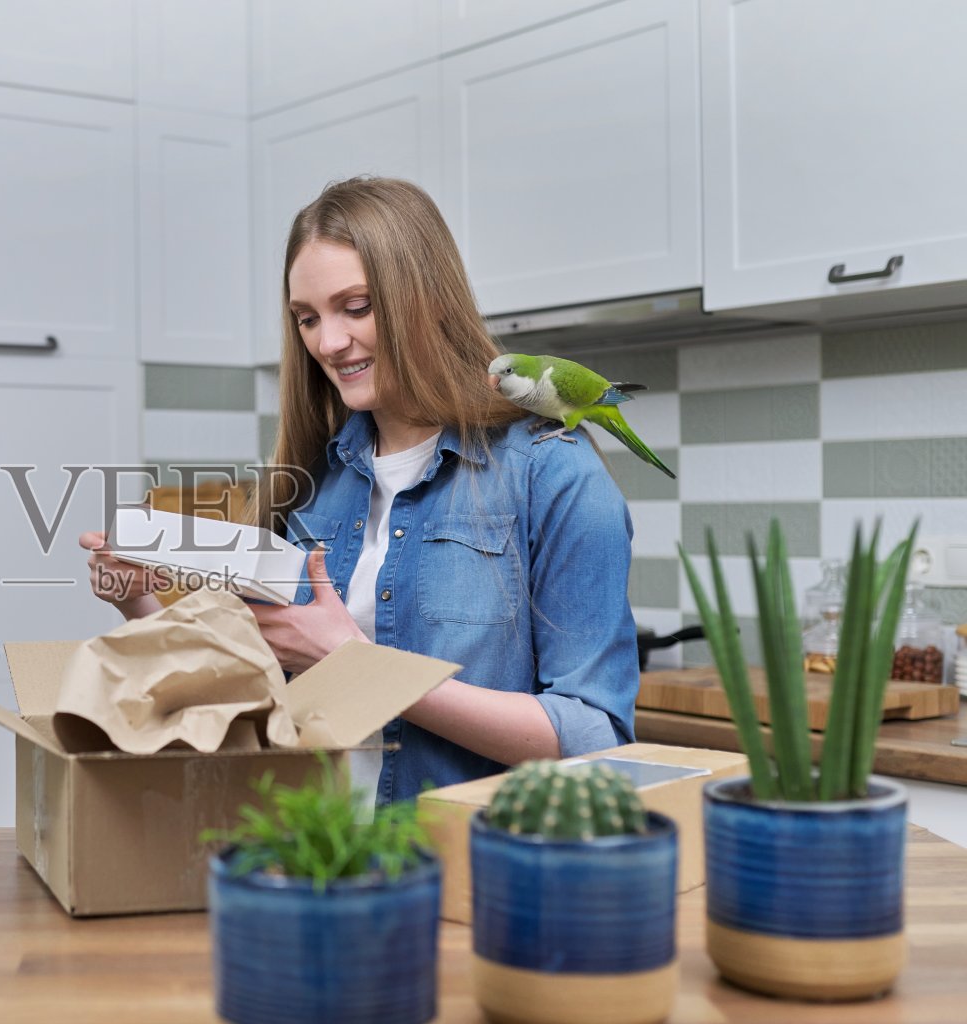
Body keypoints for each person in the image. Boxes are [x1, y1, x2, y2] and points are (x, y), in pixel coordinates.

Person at [80, 176, 638, 803]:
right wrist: (138, 602)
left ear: (424, 298)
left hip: (459, 865)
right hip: (315, 852)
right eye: (307, 318)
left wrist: (360, 665)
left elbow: (597, 737)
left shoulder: (552, 474)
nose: (327, 342)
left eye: (356, 307)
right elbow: (251, 694)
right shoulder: (316, 476)